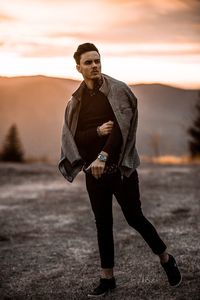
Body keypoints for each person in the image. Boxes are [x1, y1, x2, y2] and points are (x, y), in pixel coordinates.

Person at [59, 43, 182, 297]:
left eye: (97, 60)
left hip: (120, 169)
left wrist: (103, 155)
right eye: (88, 62)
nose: (95, 66)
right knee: (102, 224)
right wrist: (95, 133)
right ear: (78, 67)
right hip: (93, 173)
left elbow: (122, 130)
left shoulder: (117, 91)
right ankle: (107, 279)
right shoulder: (77, 100)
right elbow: (76, 138)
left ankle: (166, 259)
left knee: (134, 217)